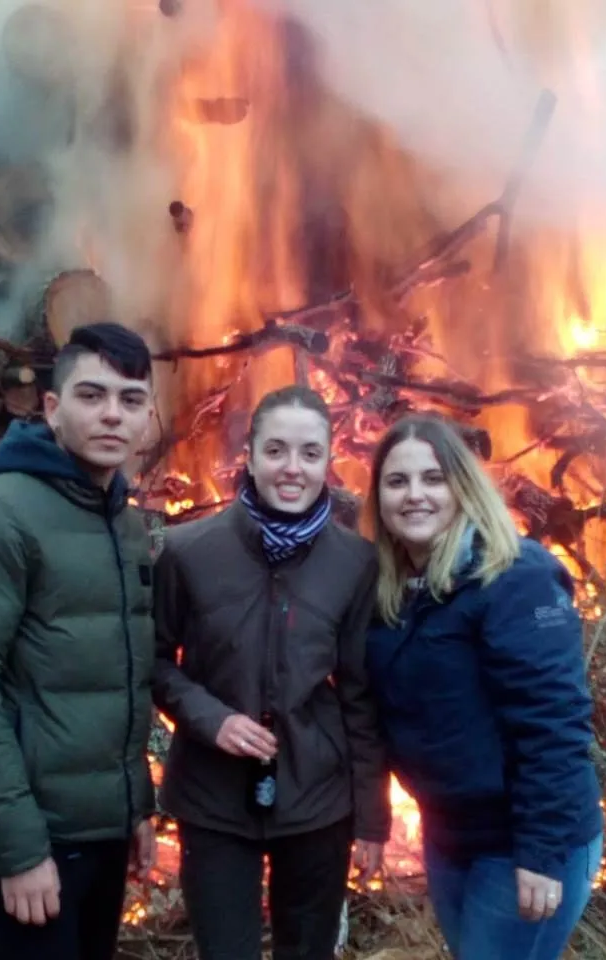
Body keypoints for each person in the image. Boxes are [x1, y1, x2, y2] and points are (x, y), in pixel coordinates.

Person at [0, 322, 158, 960]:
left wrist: (134, 806)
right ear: (52, 408)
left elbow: (117, 677)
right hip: (29, 835)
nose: (113, 414)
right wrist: (20, 849)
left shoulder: (124, 523)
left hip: (98, 826)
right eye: (92, 395)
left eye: (131, 399)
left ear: (146, 417)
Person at [153, 385, 389, 960]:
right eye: (276, 450)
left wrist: (373, 817)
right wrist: (212, 719)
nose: (293, 468)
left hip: (317, 800)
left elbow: (360, 694)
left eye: (310, 453)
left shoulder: (355, 562)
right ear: (250, 456)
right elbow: (154, 663)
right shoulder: (187, 551)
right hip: (212, 800)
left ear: (328, 461)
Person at [363, 413, 604, 960]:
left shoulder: (515, 576)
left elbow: (553, 725)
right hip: (450, 837)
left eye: (433, 478)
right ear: (378, 498)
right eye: (397, 482)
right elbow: (377, 716)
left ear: (463, 487)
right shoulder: (390, 591)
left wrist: (540, 854)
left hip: (524, 842)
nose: (414, 495)